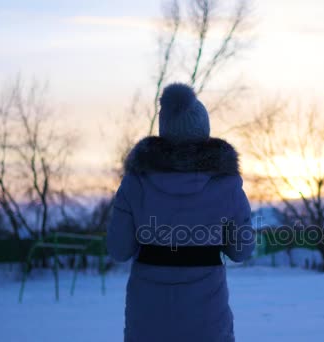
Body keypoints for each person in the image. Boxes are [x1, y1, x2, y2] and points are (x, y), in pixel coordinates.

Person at [107, 83, 255, 342]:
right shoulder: (226, 184)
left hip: (148, 320)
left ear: (164, 129)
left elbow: (119, 250)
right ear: (204, 130)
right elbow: (241, 251)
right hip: (207, 321)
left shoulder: (136, 181)